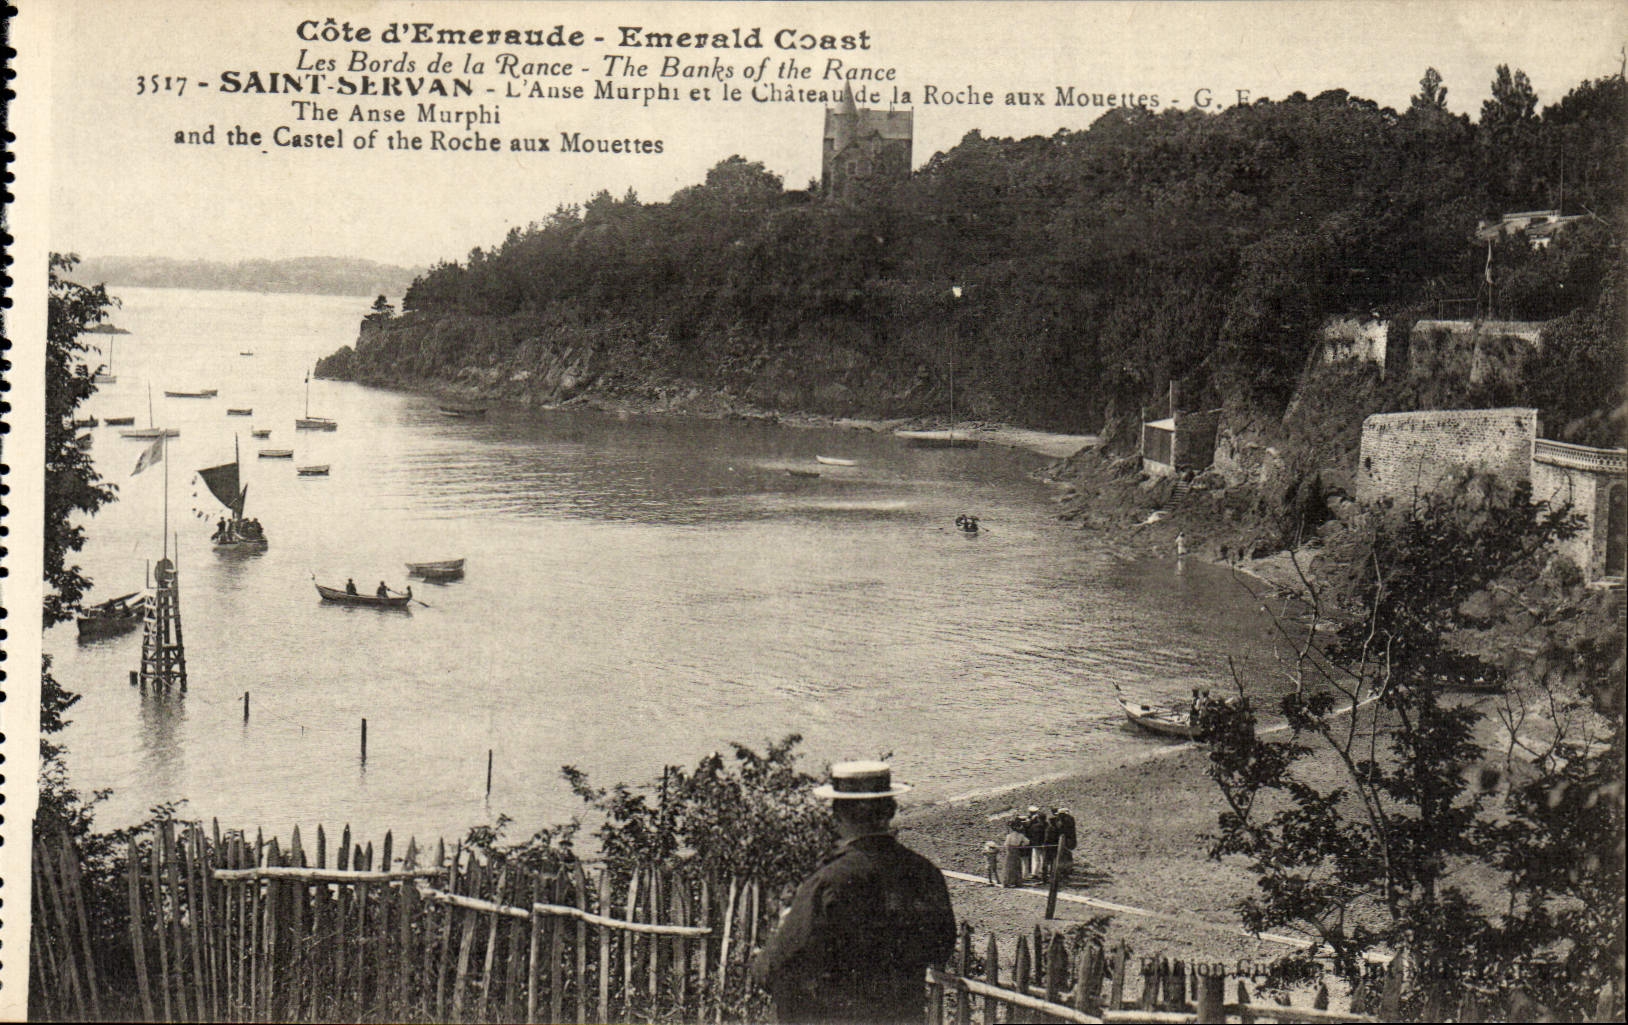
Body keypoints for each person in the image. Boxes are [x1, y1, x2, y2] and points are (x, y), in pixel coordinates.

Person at [750, 761, 956, 1025]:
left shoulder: (829, 882)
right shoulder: (925, 873)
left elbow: (775, 968)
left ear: (838, 816)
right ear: (890, 811)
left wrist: (769, 950)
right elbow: (941, 948)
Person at [1000, 819, 1026, 887]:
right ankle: (1017, 882)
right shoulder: (1021, 835)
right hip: (1017, 850)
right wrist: (1021, 845)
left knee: (1009, 867)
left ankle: (1007, 882)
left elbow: (1006, 844)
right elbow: (1027, 841)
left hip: (1010, 851)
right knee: (1017, 866)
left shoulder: (1009, 836)